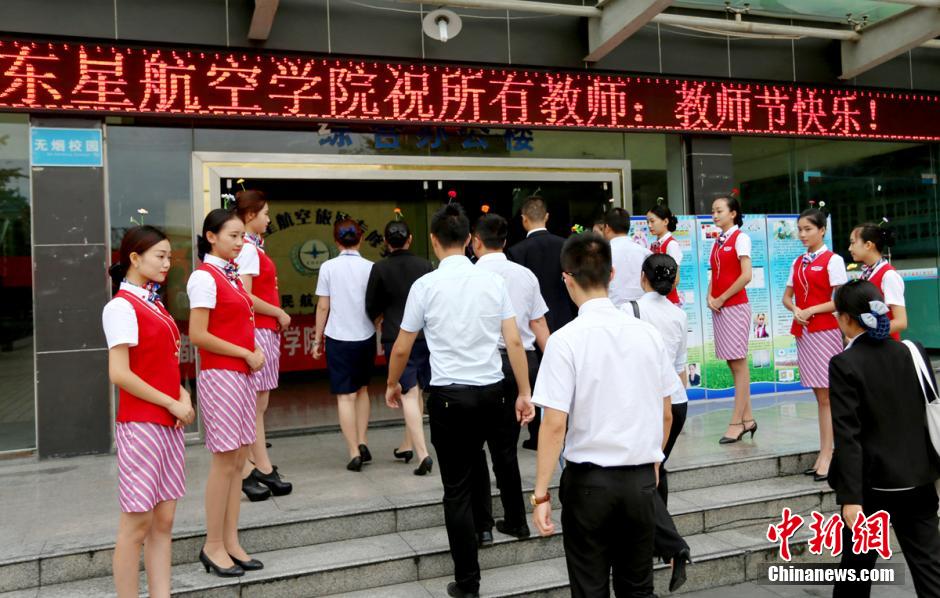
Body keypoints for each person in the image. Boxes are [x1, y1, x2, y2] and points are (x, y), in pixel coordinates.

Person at [386, 203, 534, 598]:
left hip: (449, 397)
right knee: (492, 460)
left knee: (457, 489)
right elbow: (515, 340)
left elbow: (402, 346)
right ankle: (498, 528)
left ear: (434, 241)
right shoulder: (492, 283)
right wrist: (523, 392)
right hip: (493, 392)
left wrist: (392, 384)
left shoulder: (426, 285)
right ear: (469, 240)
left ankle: (468, 582)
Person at [531, 231, 681, 598]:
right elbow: (666, 413)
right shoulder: (647, 334)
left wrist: (540, 494)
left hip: (589, 486)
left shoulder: (564, 341)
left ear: (566, 277)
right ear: (612, 275)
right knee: (638, 587)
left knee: (590, 587)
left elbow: (554, 425)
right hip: (641, 482)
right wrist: (655, 462)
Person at [829, 280, 940, 598]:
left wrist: (850, 499)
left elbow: (848, 436)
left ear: (848, 319)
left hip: (870, 488)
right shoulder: (913, 351)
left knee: (854, 576)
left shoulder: (844, 363)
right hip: (918, 479)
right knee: (930, 571)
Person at [104, 226, 195, 598]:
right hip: (141, 424)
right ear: (134, 258)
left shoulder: (153, 304)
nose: (166, 263)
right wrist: (172, 401)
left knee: (165, 520)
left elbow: (163, 364)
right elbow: (119, 373)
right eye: (159, 255)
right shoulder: (121, 306)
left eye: (169, 256)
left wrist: (183, 397)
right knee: (137, 523)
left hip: (167, 422)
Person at [187, 209, 265, 577]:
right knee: (224, 463)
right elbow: (199, 335)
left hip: (241, 375)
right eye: (233, 236)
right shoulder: (204, 278)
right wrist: (245, 352)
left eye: (241, 236)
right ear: (211, 236)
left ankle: (230, 540)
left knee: (237, 463)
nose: (240, 242)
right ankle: (212, 544)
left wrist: (252, 352)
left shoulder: (229, 276)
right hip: (222, 376)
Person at [472, 213, 550, 542]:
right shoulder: (525, 276)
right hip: (522, 363)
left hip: (480, 364)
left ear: (475, 241)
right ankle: (516, 520)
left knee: (475, 447)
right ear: (504, 242)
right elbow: (538, 326)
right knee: (506, 449)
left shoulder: (469, 276)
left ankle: (483, 526)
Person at [622, 253, 692, 593]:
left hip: (648, 403)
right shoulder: (679, 315)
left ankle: (670, 544)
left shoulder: (629, 310)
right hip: (676, 402)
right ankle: (656, 541)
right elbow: (679, 366)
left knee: (644, 474)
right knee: (656, 469)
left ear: (642, 277)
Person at [233, 190, 293, 501]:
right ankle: (258, 467)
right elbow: (246, 296)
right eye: (265, 213)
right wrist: (278, 312)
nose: (268, 218)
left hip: (263, 331)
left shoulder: (252, 248)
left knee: (259, 405)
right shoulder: (248, 250)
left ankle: (256, 465)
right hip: (258, 331)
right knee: (255, 406)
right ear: (250, 215)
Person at [782, 207, 847, 483]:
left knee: (828, 394)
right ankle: (825, 451)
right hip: (805, 332)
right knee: (819, 396)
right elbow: (787, 297)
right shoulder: (797, 262)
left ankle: (830, 454)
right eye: (800, 230)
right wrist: (796, 309)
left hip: (825, 332)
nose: (803, 234)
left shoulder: (833, 260)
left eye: (808, 229)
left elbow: (840, 300)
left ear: (822, 230)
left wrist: (810, 310)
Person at [365, 218, 435, 475]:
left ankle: (422, 454)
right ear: (410, 239)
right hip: (425, 337)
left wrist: (379, 317)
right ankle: (408, 444)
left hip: (396, 337)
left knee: (407, 393)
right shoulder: (425, 265)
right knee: (415, 393)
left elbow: (371, 304)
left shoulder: (380, 268)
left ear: (386, 242)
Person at [507, 195, 572, 449]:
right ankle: (565, 426)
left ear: (524, 220)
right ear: (546, 217)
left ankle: (536, 435)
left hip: (531, 324)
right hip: (563, 319)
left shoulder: (516, 251)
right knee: (564, 377)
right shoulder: (564, 245)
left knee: (535, 381)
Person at [312, 219, 377, 472]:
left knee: (345, 396)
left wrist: (317, 340)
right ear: (359, 239)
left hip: (338, 337)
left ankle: (353, 452)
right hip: (366, 335)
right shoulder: (371, 267)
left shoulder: (328, 267)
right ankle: (363, 441)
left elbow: (323, 306)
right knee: (362, 391)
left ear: (336, 241)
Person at [708, 196, 756, 445]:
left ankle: (736, 423)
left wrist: (722, 298)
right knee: (732, 363)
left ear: (733, 213)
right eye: (713, 211)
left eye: (719, 210)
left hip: (735, 307)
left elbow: (746, 276)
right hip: (720, 307)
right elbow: (715, 274)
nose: (715, 215)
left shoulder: (741, 238)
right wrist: (710, 296)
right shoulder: (718, 241)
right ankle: (748, 419)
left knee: (738, 364)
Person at [849, 222, 906, 341]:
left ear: (868, 245)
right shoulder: (867, 273)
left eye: (853, 242)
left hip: (886, 348)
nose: (850, 248)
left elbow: (901, 322)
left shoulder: (889, 276)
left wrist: (865, 333)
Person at [602, 207, 652, 306]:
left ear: (607, 227)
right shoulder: (646, 253)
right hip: (641, 313)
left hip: (613, 312)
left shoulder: (603, 254)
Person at [646, 203, 682, 305]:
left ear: (665, 221)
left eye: (652, 221)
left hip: (667, 302)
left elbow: (675, 279)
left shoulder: (671, 245)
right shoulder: (655, 244)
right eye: (647, 222)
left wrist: (659, 299)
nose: (649, 225)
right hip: (657, 300)